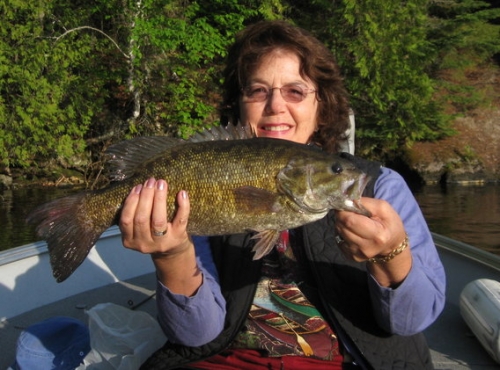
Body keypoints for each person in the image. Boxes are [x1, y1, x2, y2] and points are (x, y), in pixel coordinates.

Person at [119, 20, 446, 369]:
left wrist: (390, 255)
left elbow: (411, 322)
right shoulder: (195, 184)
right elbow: (195, 335)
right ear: (240, 106)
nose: (275, 105)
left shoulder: (381, 186)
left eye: (295, 91)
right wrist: (172, 255)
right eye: (258, 91)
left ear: (322, 107)